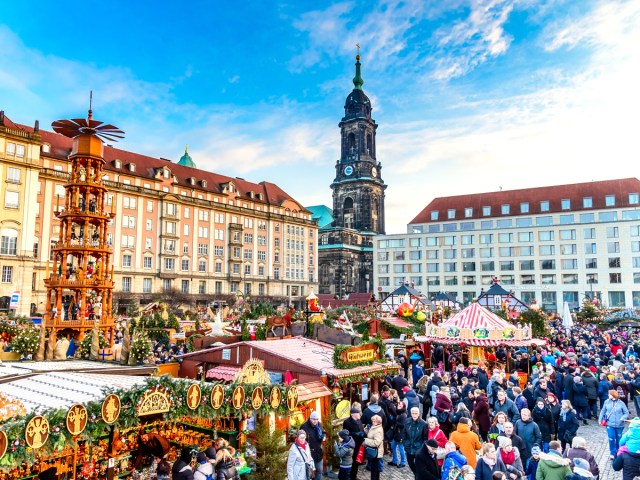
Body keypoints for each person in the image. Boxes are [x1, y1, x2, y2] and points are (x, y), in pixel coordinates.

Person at [599, 389, 629, 459]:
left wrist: (623, 418)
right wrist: (600, 420)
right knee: (611, 438)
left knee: (619, 439)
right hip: (610, 424)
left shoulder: (621, 403)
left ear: (613, 395)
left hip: (619, 425)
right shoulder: (606, 402)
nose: (608, 395)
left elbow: (626, 413)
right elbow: (603, 411)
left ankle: (619, 452)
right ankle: (612, 452)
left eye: (609, 394)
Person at [300, 411, 326, 479]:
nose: (315, 421)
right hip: (309, 454)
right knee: (310, 474)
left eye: (317, 419)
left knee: (319, 471)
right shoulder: (304, 427)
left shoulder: (319, 424)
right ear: (310, 418)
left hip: (318, 453)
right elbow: (300, 440)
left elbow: (323, 432)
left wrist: (323, 436)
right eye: (314, 419)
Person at [404, 406, 428, 477]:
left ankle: (417, 477)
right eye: (413, 413)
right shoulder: (407, 421)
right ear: (411, 414)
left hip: (418, 448)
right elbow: (404, 433)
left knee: (419, 466)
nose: (414, 415)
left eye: (416, 413)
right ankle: (417, 475)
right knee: (410, 464)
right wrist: (405, 443)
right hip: (409, 447)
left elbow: (425, 438)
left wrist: (422, 447)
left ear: (419, 414)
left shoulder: (423, 424)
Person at [343, 407, 364, 480]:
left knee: (357, 460)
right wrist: (355, 434)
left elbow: (362, 429)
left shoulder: (359, 421)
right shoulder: (347, 422)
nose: (359, 414)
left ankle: (354, 476)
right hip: (351, 444)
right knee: (351, 461)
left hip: (359, 444)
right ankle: (349, 476)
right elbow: (346, 434)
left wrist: (363, 433)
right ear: (353, 414)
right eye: (358, 413)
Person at [363, 415, 384, 480]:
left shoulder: (378, 430)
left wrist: (365, 440)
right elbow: (370, 435)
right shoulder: (374, 427)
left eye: (375, 421)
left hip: (376, 452)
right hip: (373, 451)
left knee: (374, 469)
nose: (373, 422)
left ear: (378, 422)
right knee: (375, 468)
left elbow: (376, 443)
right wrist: (366, 429)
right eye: (372, 421)